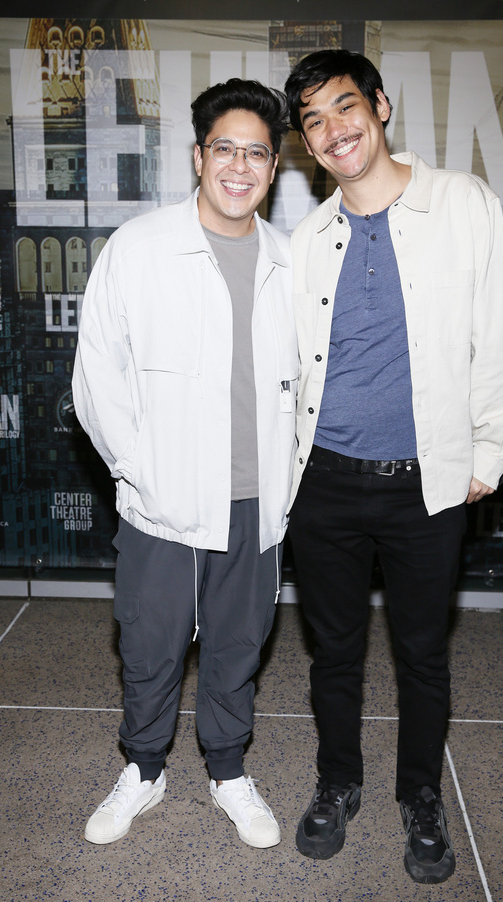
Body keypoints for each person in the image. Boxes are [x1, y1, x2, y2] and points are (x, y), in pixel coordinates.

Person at [284, 49, 503, 882]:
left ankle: (420, 794)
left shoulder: (462, 203)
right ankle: (336, 782)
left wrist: (490, 446)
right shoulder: (306, 240)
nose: (334, 129)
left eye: (344, 107)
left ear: (380, 106)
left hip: (429, 480)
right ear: (307, 145)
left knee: (423, 654)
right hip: (326, 483)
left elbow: (495, 330)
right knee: (334, 652)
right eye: (313, 120)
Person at [72, 78, 298, 849]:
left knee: (239, 644)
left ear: (274, 167)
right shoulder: (138, 248)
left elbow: (308, 387)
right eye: (225, 148)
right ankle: (144, 768)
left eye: (257, 153)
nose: (240, 165)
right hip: (162, 499)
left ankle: (229, 770)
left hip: (255, 500)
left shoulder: (288, 261)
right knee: (150, 641)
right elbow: (97, 374)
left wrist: (290, 482)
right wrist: (141, 470)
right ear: (199, 157)